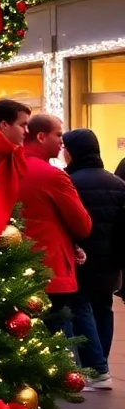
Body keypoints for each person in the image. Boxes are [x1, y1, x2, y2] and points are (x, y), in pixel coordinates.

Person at [19, 114, 93, 409]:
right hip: (51, 269)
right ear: (39, 137)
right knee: (50, 342)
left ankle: (20, 404)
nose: (61, 142)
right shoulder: (52, 176)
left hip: (15, 265)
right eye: (57, 135)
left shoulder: (7, 166)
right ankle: (46, 408)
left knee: (20, 339)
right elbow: (83, 224)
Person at [62, 128, 125, 390]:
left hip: (81, 257)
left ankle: (93, 367)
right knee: (103, 307)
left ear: (73, 152)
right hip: (110, 259)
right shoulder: (117, 183)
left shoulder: (69, 182)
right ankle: (103, 363)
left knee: (80, 308)